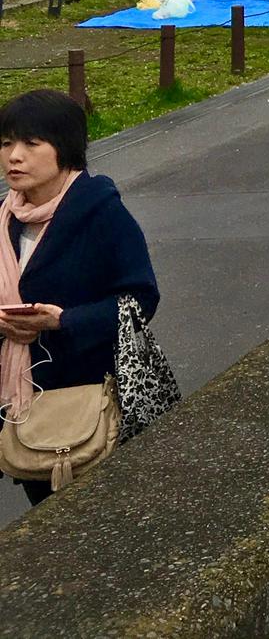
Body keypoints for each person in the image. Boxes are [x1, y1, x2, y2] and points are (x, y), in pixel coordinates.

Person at [0, 89, 160, 507]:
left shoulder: (100, 213)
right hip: (16, 399)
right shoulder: (4, 220)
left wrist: (63, 321)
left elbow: (141, 298)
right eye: (5, 143)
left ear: (64, 150)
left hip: (84, 401)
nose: (14, 156)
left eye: (31, 144)